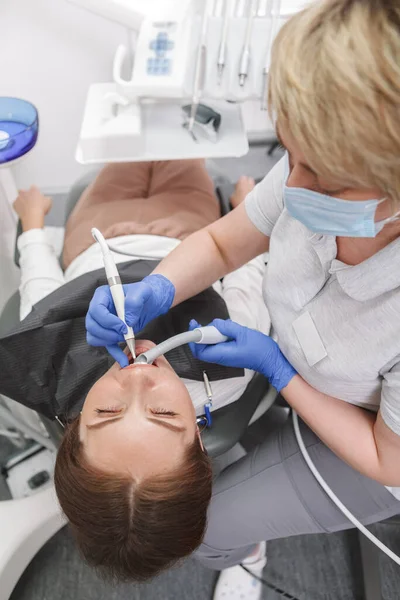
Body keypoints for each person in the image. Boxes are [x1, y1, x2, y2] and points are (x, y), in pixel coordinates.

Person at [85, 1, 400, 598]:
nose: (294, 183)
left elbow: (389, 459)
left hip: (376, 453)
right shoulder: (317, 169)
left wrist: (278, 372)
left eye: (326, 180)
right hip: (302, 372)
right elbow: (227, 243)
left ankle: (243, 552)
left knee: (208, 533)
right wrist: (159, 286)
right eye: (291, 154)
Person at [11, 159, 271, 580]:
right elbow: (243, 282)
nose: (137, 378)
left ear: (72, 429)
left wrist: (34, 224)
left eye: (107, 412)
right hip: (191, 232)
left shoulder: (59, 374)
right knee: (179, 143)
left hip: (95, 236)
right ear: (200, 442)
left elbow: (42, 297)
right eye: (165, 414)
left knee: (127, 146)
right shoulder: (228, 372)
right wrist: (247, 213)